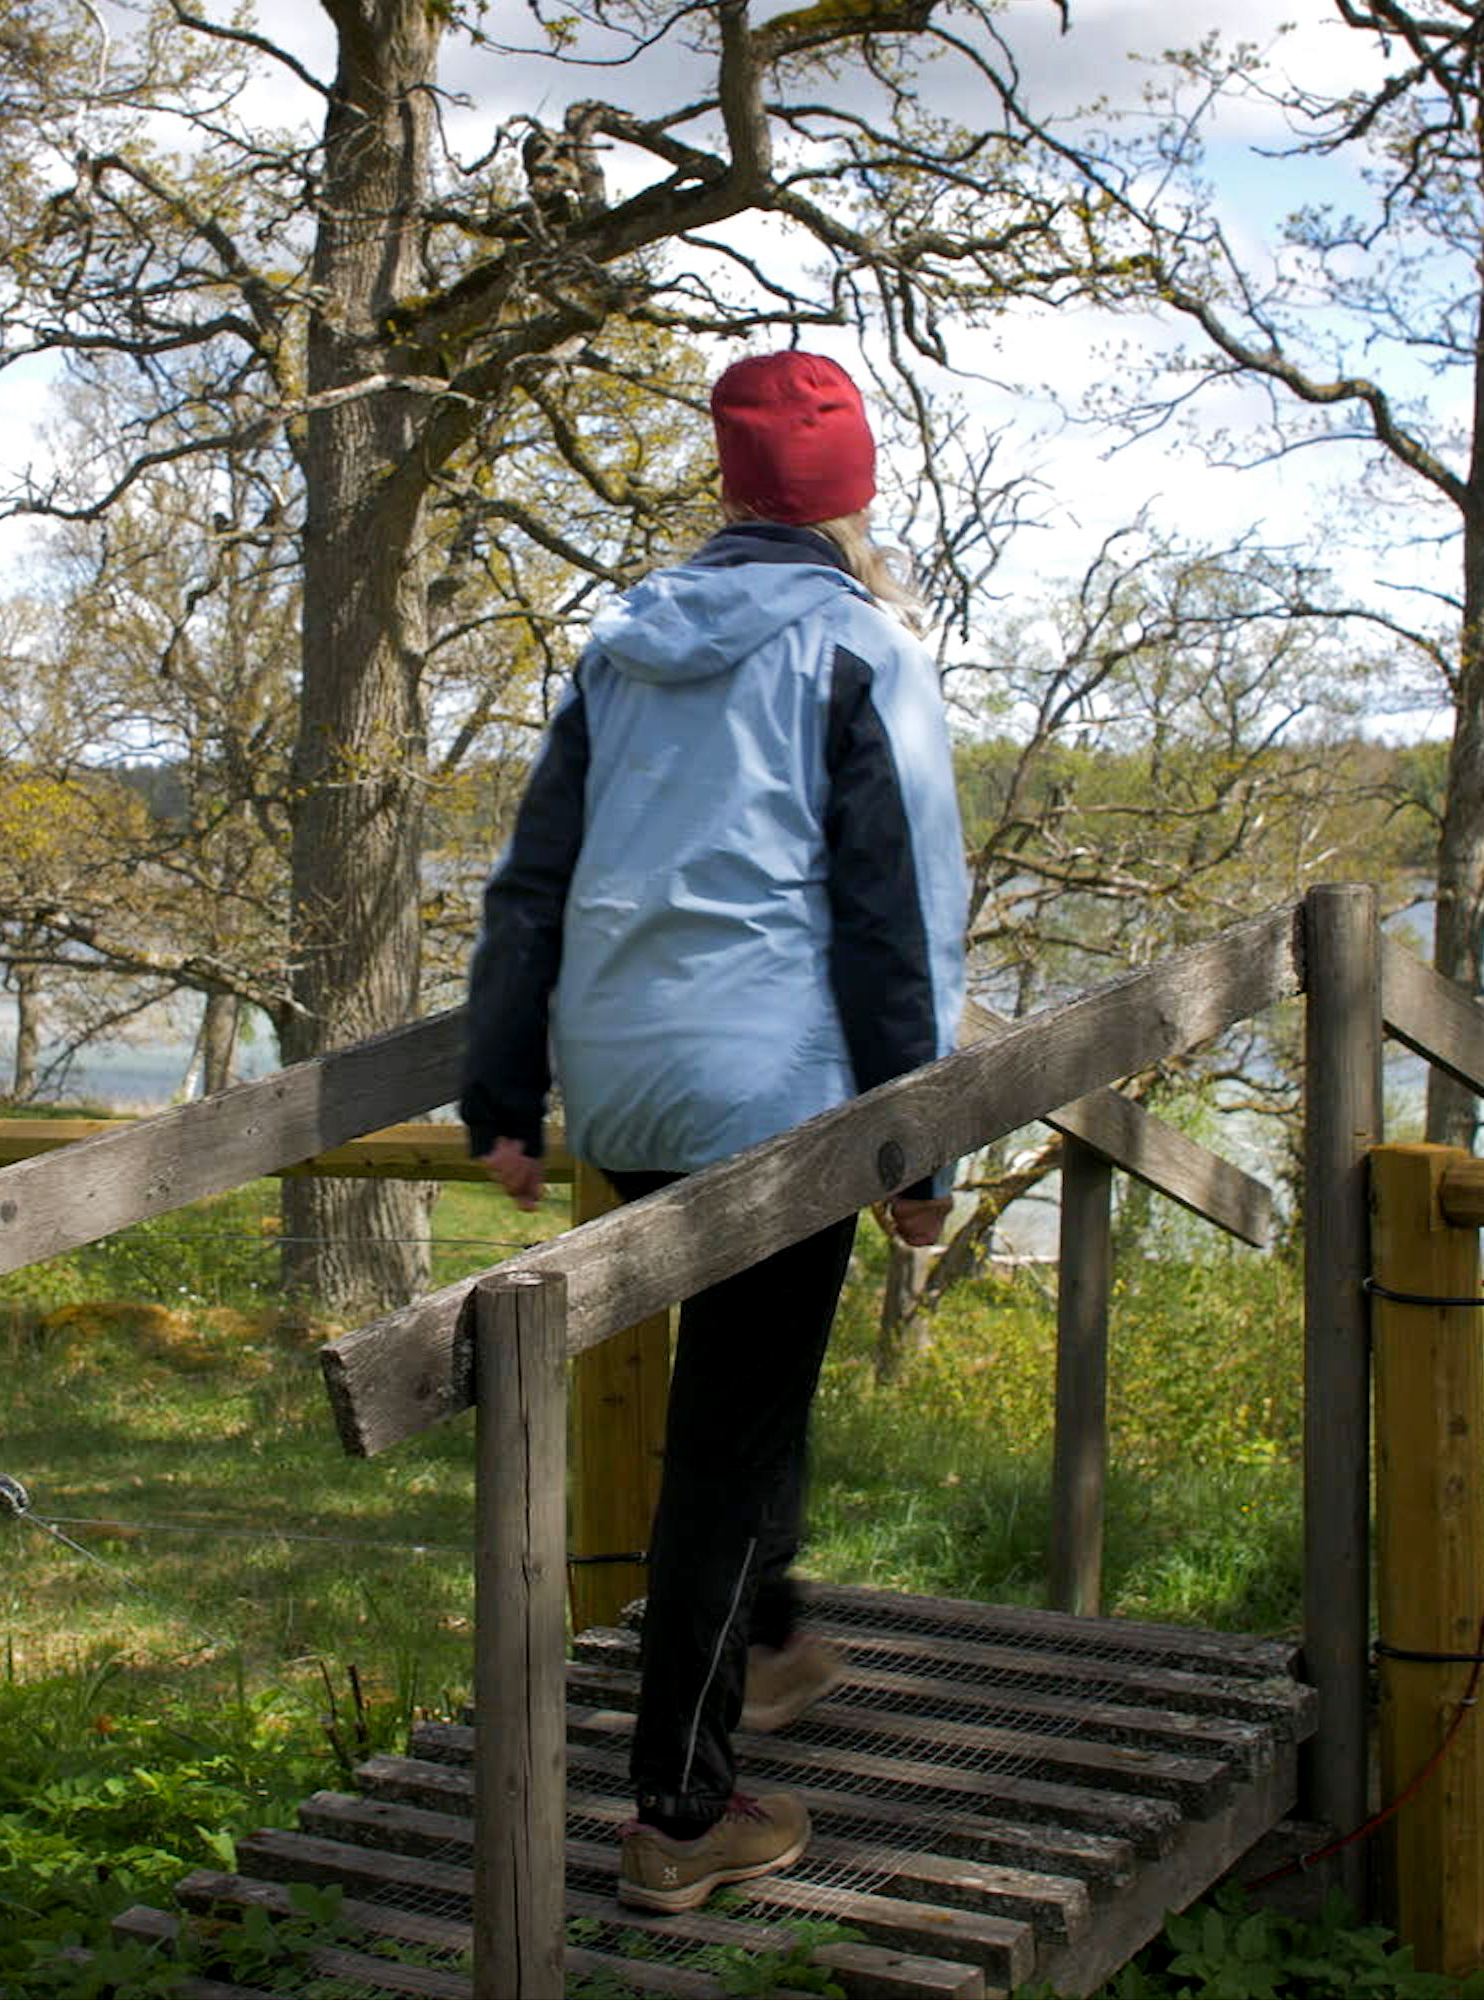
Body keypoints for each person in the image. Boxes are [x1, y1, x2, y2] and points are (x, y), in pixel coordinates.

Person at [459, 350, 970, 1916]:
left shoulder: (622, 644)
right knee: (728, 1440)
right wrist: (921, 1144)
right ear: (856, 490)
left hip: (627, 1084)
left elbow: (533, 877)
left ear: (731, 484)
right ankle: (683, 1811)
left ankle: (769, 1638)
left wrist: (503, 1092)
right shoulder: (857, 650)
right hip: (775, 1098)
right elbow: (899, 915)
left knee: (749, 1391)